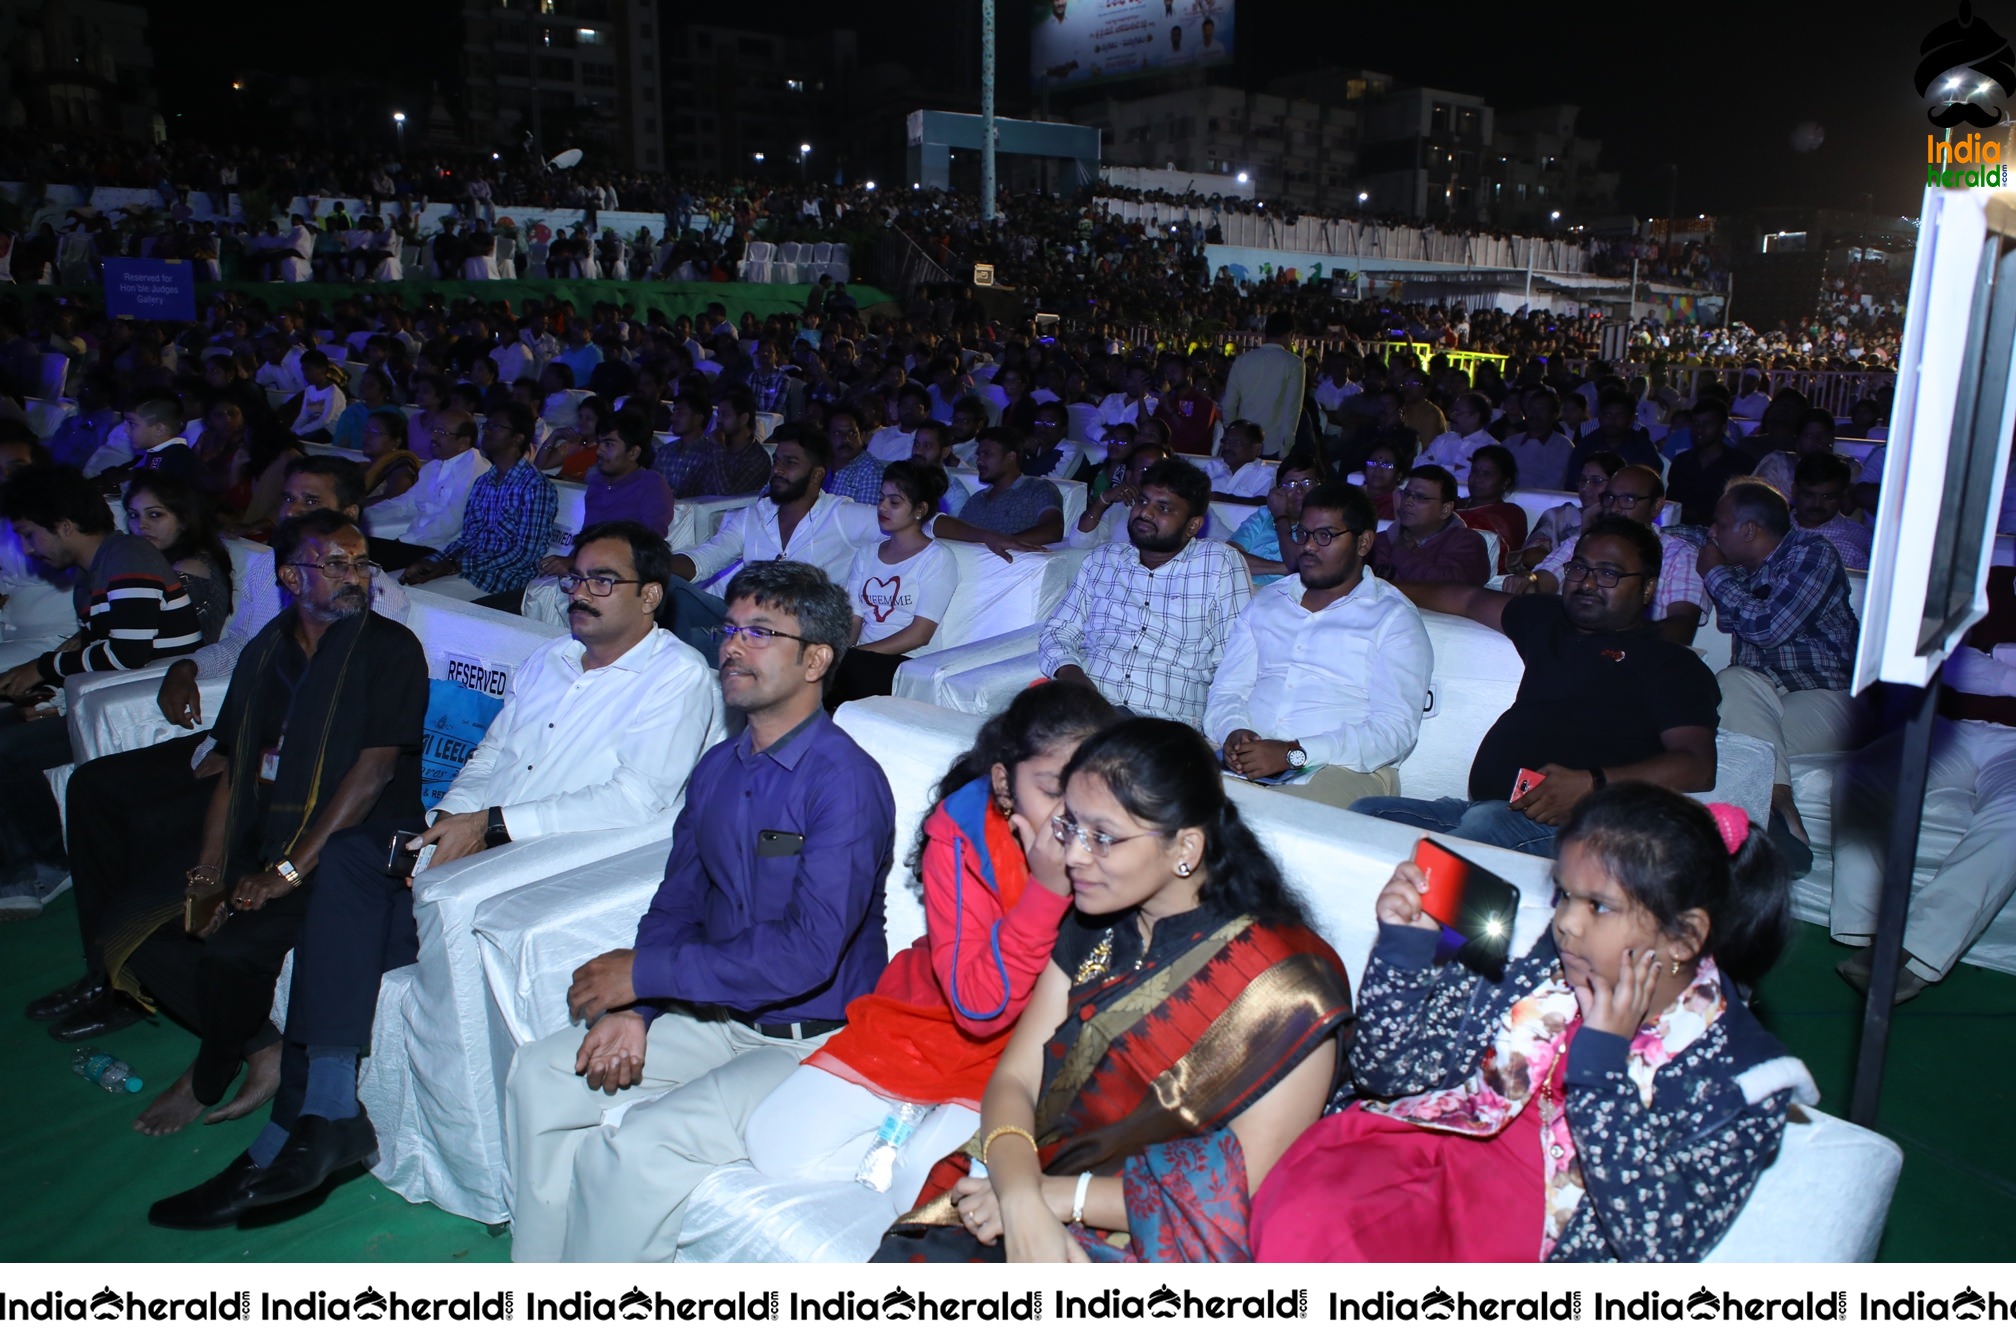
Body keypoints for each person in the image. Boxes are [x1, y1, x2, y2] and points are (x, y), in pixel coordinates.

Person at [153, 521, 725, 1229]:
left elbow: (638, 802)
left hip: (551, 858)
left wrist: (491, 825)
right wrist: (446, 821)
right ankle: (323, 1113)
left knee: (347, 912)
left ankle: (298, 1127)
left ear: (651, 598)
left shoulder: (678, 679)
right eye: (575, 578)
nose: (580, 593)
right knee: (358, 867)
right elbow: (488, 757)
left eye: (602, 581)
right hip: (480, 839)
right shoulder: (550, 661)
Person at [505, 561, 894, 1262]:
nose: (732, 647)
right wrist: (637, 1007)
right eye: (731, 628)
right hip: (716, 1015)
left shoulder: (846, 783)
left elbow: (806, 955)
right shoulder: (718, 768)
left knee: (640, 1147)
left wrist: (646, 974)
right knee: (541, 1077)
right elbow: (678, 899)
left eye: (761, 633)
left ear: (815, 660)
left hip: (813, 1040)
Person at [1253, 783, 1811, 1263]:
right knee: (1307, 1220)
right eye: (1565, 894)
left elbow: (1657, 1246)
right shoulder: (1542, 971)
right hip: (1414, 1148)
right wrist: (1406, 950)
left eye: (1599, 906)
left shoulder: (1740, 1077)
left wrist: (1600, 1066)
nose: (1565, 922)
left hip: (1528, 1236)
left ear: (1685, 937)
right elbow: (1386, 1074)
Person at [873, 717, 1353, 1262]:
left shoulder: (1287, 986)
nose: (1074, 855)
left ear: (1186, 848)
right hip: (1025, 1182)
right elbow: (1015, 1078)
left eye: (1102, 837)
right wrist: (1019, 1192)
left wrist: (1051, 1200)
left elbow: (1233, 1186)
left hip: (1165, 1237)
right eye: (1070, 827)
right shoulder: (1094, 921)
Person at [99, 512, 427, 1152]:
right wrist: (209, 870)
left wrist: (284, 874)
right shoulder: (266, 651)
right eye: (336, 564)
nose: (355, 577)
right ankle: (262, 1047)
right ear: (289, 575)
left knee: (231, 952)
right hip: (266, 831)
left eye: (362, 564)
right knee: (134, 927)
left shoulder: (389, 650)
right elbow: (237, 766)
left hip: (353, 851)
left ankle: (208, 1074)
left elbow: (372, 774)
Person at [744, 681, 1121, 1217]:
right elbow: (976, 1003)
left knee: (925, 1193)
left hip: (1029, 1052)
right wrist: (1045, 891)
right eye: (1053, 788)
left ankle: (919, 1143)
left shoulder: (1115, 836)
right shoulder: (963, 832)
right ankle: (910, 1132)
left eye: (1088, 790)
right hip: (935, 1016)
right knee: (773, 1143)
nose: (1071, 813)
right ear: (1004, 783)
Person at [1356, 517, 1721, 856]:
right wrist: (1364, 585)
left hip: (1584, 829)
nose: (1588, 582)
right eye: (1579, 568)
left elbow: (1698, 766)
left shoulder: (1670, 663)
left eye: (1609, 573)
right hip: (1483, 810)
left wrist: (1594, 783)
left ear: (1647, 588)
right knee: (1365, 815)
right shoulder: (1547, 620)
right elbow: (1466, 599)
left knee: (1475, 834)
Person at [0, 464, 207, 909]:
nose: (29, 549)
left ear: (65, 527)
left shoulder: (127, 559)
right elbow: (101, 652)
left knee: (8, 749)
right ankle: (28, 861)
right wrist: (54, 692)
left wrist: (43, 669)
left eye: (30, 535)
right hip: (106, 698)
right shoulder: (99, 567)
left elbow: (126, 654)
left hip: (141, 705)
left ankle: (47, 864)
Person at [1831, 566, 2016, 1003]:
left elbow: (1972, 664)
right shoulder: (1981, 582)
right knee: (1861, 777)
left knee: (2012, 821)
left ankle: (1914, 951)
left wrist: (1993, 664)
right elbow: (1944, 662)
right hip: (1946, 730)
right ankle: (1863, 929)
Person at [1207, 483, 1433, 809]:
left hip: (1343, 768)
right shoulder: (1269, 602)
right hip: (1251, 759)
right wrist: (1234, 731)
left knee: (1269, 820)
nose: (1309, 547)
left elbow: (1393, 732)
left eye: (1325, 536)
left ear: (1364, 542)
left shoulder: (1393, 618)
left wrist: (1294, 753)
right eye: (1304, 534)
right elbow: (1227, 689)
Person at [1700, 480, 1860, 866]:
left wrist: (1714, 574)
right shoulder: (1744, 570)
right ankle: (1781, 819)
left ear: (1749, 530)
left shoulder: (1812, 553)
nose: (1712, 534)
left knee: (1734, 721)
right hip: (1768, 704)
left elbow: (1768, 628)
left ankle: (1772, 810)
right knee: (1734, 687)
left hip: (1831, 701)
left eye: (1720, 525)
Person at [1039, 458, 1250, 728]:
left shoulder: (1218, 563)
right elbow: (1057, 633)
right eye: (1142, 501)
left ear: (1193, 526)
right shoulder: (1104, 559)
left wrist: (1228, 726)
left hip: (1161, 723)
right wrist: (1080, 686)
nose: (1145, 513)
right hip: (1083, 708)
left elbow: (1235, 659)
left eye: (1163, 508)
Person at [1514, 465, 1706, 646]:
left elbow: (1682, 627)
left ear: (1656, 506)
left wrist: (1615, 644)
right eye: (1610, 498)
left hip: (1641, 656)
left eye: (1628, 500)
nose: (1614, 508)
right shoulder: (1581, 543)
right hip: (1573, 646)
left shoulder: (1680, 554)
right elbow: (1544, 580)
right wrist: (1529, 581)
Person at [828, 461, 959, 706]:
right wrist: (839, 651)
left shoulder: (937, 558)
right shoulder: (867, 554)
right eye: (881, 498)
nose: (883, 507)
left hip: (908, 662)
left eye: (894, 502)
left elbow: (920, 634)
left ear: (920, 509)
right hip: (861, 659)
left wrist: (855, 655)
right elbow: (854, 618)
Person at [397, 403, 559, 597]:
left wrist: (453, 565)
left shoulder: (535, 486)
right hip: (466, 571)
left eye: (496, 426)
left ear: (518, 438)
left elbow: (524, 554)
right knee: (395, 586)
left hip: (501, 581)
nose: (487, 431)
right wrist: (434, 561)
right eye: (487, 425)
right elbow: (468, 538)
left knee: (411, 596)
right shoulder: (484, 481)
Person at [363, 409, 487, 572]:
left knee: (362, 557)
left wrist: (404, 541)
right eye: (434, 429)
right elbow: (405, 504)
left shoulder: (478, 473)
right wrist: (363, 515)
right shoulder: (433, 467)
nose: (433, 437)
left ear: (463, 442)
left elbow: (448, 525)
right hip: (415, 542)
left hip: (441, 552)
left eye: (442, 432)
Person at [123, 470, 235, 649]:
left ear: (183, 520)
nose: (141, 525)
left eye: (154, 515)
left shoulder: (190, 568)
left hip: (170, 671)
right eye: (134, 515)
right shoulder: (156, 560)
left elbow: (135, 636)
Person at [931, 427, 1065, 555]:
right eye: (979, 455)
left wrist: (1003, 542)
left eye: (986, 454)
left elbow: (1053, 530)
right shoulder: (976, 500)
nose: (979, 461)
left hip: (1012, 569)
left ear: (1010, 457)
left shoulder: (1038, 488)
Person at [1369, 465, 1491, 586]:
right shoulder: (1382, 541)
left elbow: (1452, 587)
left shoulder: (1466, 542)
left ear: (1445, 509)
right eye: (1406, 494)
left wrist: (1402, 553)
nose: (1408, 502)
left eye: (1420, 497)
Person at [1219, 312, 1306, 460]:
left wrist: (1233, 435)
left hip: (1243, 443)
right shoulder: (1294, 364)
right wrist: (1286, 449)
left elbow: (1228, 404)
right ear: (1290, 334)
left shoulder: (1242, 361)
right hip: (1273, 444)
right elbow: (1291, 409)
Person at [1518, 451, 1622, 574]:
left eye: (1596, 481)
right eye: (1583, 480)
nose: (1585, 488)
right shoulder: (1558, 517)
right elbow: (1530, 557)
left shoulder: (1622, 524)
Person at [1226, 451, 1321, 582]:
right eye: (1291, 484)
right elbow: (1229, 557)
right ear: (1279, 490)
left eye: (1307, 483)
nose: (1299, 491)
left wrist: (1281, 517)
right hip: (1245, 590)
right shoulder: (1264, 515)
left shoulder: (1322, 523)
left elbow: (1298, 563)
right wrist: (1283, 568)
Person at [1667, 400, 1757, 525]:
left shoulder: (1741, 464)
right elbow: (1672, 505)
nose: (1700, 429)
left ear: (1723, 427)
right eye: (1696, 423)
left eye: (1707, 424)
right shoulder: (1682, 461)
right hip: (1681, 532)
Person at [1788, 453, 1871, 569]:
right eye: (1809, 495)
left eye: (1827, 497)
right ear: (1795, 491)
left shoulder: (1859, 537)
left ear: (1843, 495)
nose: (1817, 504)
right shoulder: (1772, 528)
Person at [1456, 444, 1527, 572]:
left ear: (1505, 482)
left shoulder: (1510, 514)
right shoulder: (1452, 504)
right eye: (1474, 471)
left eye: (1487, 474)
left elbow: (1494, 558)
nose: (1477, 479)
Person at [1565, 391, 1662, 481]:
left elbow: (1651, 482)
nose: (1612, 420)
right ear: (1599, 417)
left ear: (1631, 419)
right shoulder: (1585, 445)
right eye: (1607, 415)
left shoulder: (1644, 447)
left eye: (1619, 415)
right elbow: (1573, 482)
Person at [1504, 388, 1575, 492]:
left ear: (1554, 415)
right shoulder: (1509, 444)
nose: (1535, 414)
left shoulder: (1564, 447)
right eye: (1531, 409)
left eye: (1542, 409)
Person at [822, 405, 887, 506]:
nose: (845, 439)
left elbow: (864, 519)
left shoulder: (871, 473)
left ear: (863, 436)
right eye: (837, 433)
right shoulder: (818, 463)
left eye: (852, 433)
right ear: (827, 437)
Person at [1418, 393, 1496, 476]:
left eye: (1458, 413)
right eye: (1452, 411)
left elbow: (1472, 475)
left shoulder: (1491, 447)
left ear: (1475, 417)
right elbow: (1420, 464)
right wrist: (1453, 468)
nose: (1452, 416)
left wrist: (1437, 465)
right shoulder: (1443, 439)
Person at [1205, 419, 1275, 505]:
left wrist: (1224, 499)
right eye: (1225, 441)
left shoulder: (1266, 474)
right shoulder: (1212, 468)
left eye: (1235, 443)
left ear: (1257, 448)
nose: (1227, 447)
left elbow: (1263, 505)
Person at [1361, 441, 1408, 521]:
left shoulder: (1405, 503)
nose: (1378, 469)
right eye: (1373, 463)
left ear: (1398, 475)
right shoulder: (1349, 497)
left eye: (1387, 465)